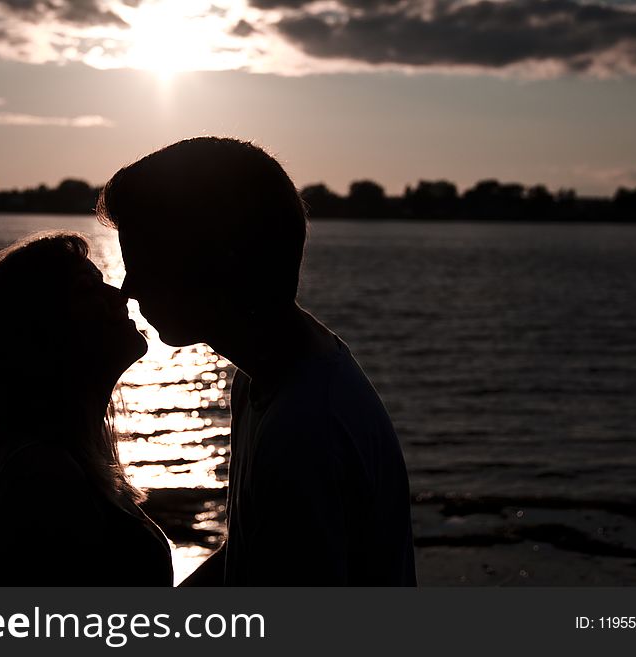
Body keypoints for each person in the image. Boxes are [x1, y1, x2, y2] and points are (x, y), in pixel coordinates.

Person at [97, 137, 417, 585]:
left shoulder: (304, 430)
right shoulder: (264, 378)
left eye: (145, 261)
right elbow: (249, 550)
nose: (129, 287)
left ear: (214, 262)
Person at [0, 232, 172, 586]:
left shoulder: (68, 461)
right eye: (88, 289)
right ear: (44, 331)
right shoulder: (43, 475)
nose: (118, 295)